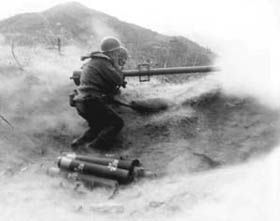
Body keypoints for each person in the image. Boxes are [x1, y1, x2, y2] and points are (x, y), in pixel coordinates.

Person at [71, 36, 128, 150]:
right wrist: (117, 65)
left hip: (81, 102)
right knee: (116, 123)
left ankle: (78, 145)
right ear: (113, 52)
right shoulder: (102, 62)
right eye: (117, 53)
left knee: (97, 127)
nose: (117, 55)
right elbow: (117, 79)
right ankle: (92, 149)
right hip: (91, 100)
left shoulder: (93, 61)